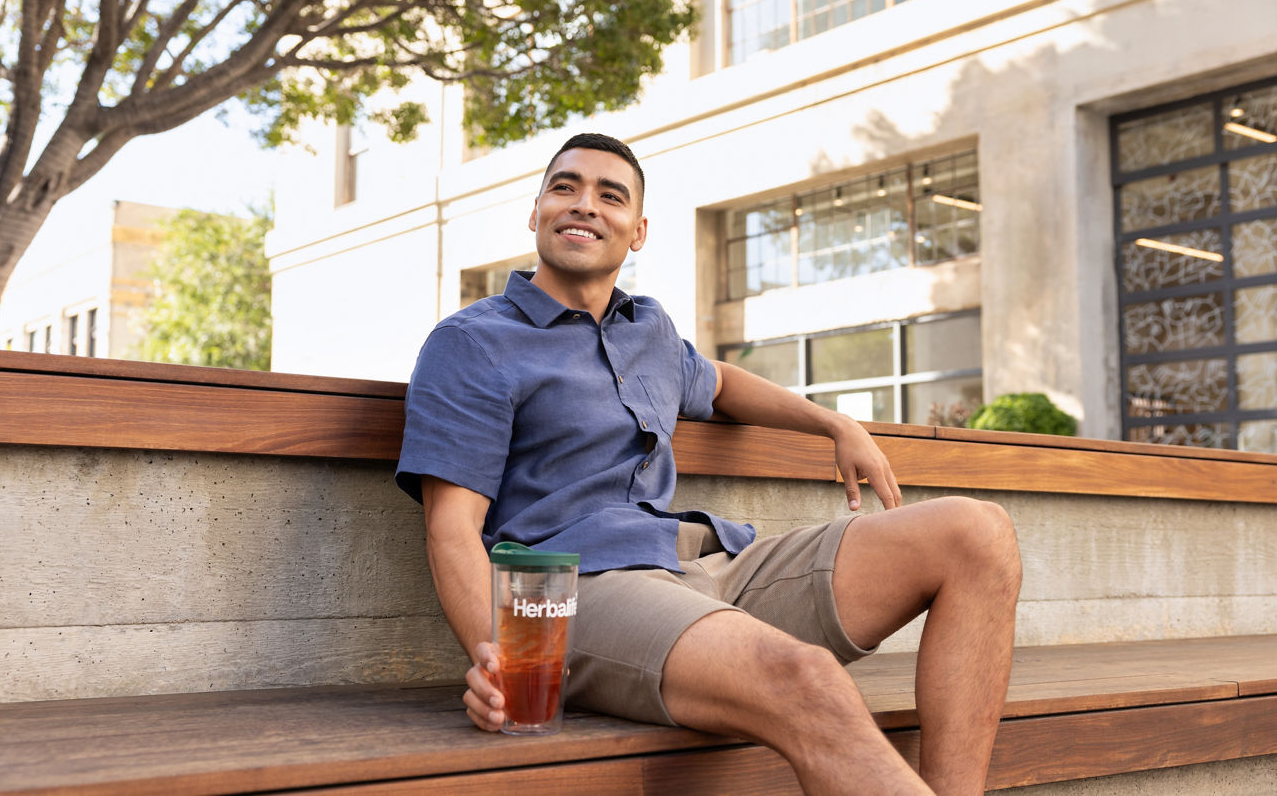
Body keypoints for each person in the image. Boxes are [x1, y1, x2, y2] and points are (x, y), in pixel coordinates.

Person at [396, 132, 1022, 795]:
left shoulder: (650, 333)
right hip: (584, 592)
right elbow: (452, 528)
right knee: (808, 682)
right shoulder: (472, 344)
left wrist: (834, 422)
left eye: (610, 196)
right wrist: (495, 662)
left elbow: (719, 383)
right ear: (536, 212)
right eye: (564, 187)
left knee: (977, 534)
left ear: (637, 232)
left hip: (709, 567)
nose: (583, 205)